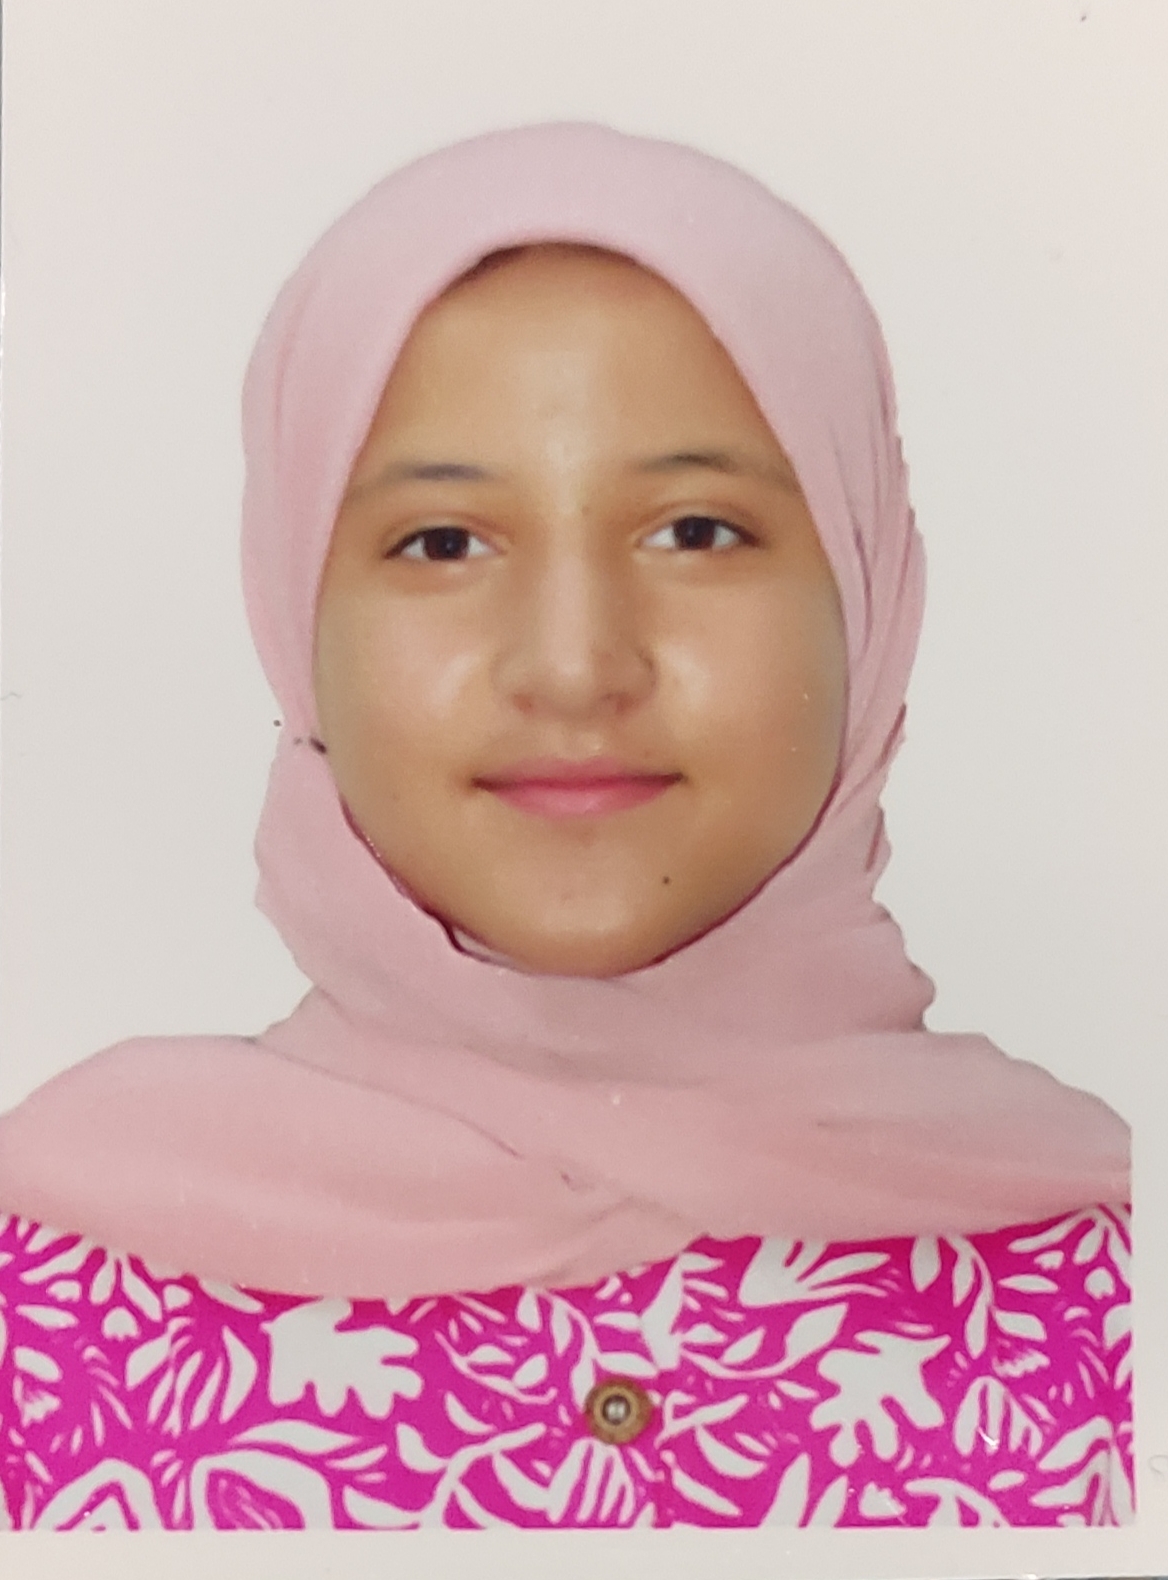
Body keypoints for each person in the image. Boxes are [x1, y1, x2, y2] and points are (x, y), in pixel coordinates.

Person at [0, 122, 1130, 1531]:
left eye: (697, 532)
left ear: (867, 590)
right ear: (296, 616)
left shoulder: (1111, 1306)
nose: (577, 664)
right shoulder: (42, 1304)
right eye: (443, 543)